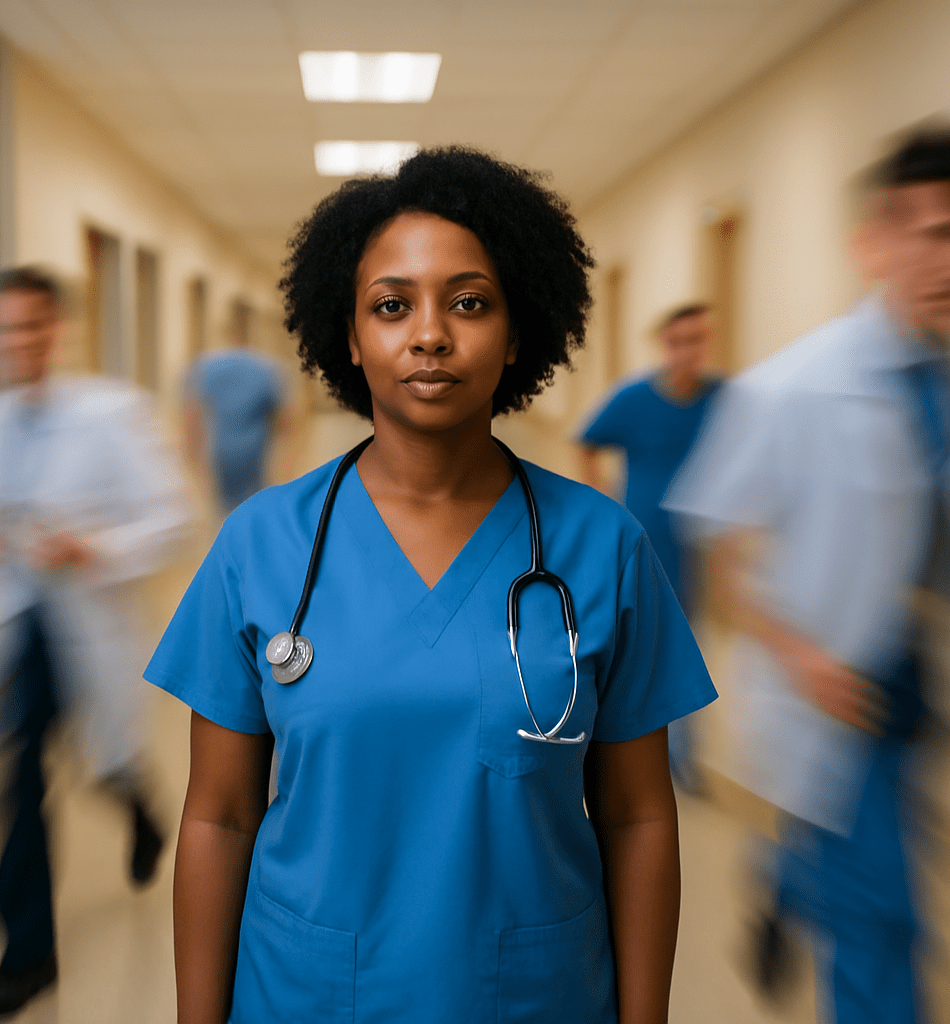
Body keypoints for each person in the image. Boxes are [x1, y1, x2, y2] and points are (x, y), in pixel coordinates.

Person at [146, 147, 716, 1024]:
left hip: (533, 997)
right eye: (391, 305)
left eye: (469, 302)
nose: (429, 335)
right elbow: (218, 817)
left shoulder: (603, 547)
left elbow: (640, 817)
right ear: (348, 333)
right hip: (306, 995)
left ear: (518, 330)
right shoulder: (261, 544)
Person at [666, 127, 950, 1023]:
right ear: (875, 242)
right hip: (825, 699)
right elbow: (720, 551)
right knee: (884, 929)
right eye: (933, 234)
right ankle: (812, 884)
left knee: (871, 866)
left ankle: (788, 877)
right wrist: (802, 658)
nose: (947, 259)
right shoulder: (791, 389)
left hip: (913, 674)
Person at [0, 267, 190, 1019]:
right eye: (1, 330)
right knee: (14, 783)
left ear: (57, 331)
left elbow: (170, 518)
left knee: (104, 759)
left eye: (30, 327)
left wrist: (93, 548)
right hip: (13, 629)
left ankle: (136, 806)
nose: (16, 343)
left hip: (89, 621)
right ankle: (29, 955)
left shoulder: (115, 414)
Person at [577, 304, 722, 790]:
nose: (687, 352)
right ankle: (607, 741)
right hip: (641, 542)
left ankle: (683, 754)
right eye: (678, 342)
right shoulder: (635, 398)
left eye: (696, 340)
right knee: (634, 644)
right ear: (665, 346)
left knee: (687, 646)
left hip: (693, 544)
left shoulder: (719, 397)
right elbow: (587, 440)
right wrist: (601, 503)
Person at [182, 336, 289, 516]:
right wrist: (285, 469)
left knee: (227, 516)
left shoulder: (204, 369)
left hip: (222, 459)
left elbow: (192, 419)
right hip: (255, 461)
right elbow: (286, 423)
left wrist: (194, 462)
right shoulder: (268, 370)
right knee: (256, 513)